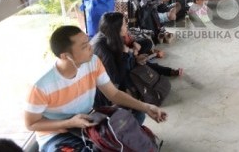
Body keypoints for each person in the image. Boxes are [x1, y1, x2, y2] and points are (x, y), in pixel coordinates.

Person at [24, 25, 167, 151]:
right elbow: (31, 124)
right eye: (84, 46)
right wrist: (69, 123)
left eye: (88, 42)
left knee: (137, 113)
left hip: (88, 120)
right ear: (65, 56)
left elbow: (114, 94)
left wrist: (147, 107)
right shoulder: (41, 86)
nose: (91, 47)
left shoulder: (93, 61)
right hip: (57, 134)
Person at [91, 12, 182, 123]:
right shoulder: (103, 49)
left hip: (118, 73)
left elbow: (120, 60)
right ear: (117, 28)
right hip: (108, 91)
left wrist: (134, 57)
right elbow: (116, 80)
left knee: (142, 60)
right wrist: (127, 56)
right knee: (139, 115)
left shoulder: (112, 37)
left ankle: (167, 71)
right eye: (124, 24)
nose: (126, 26)